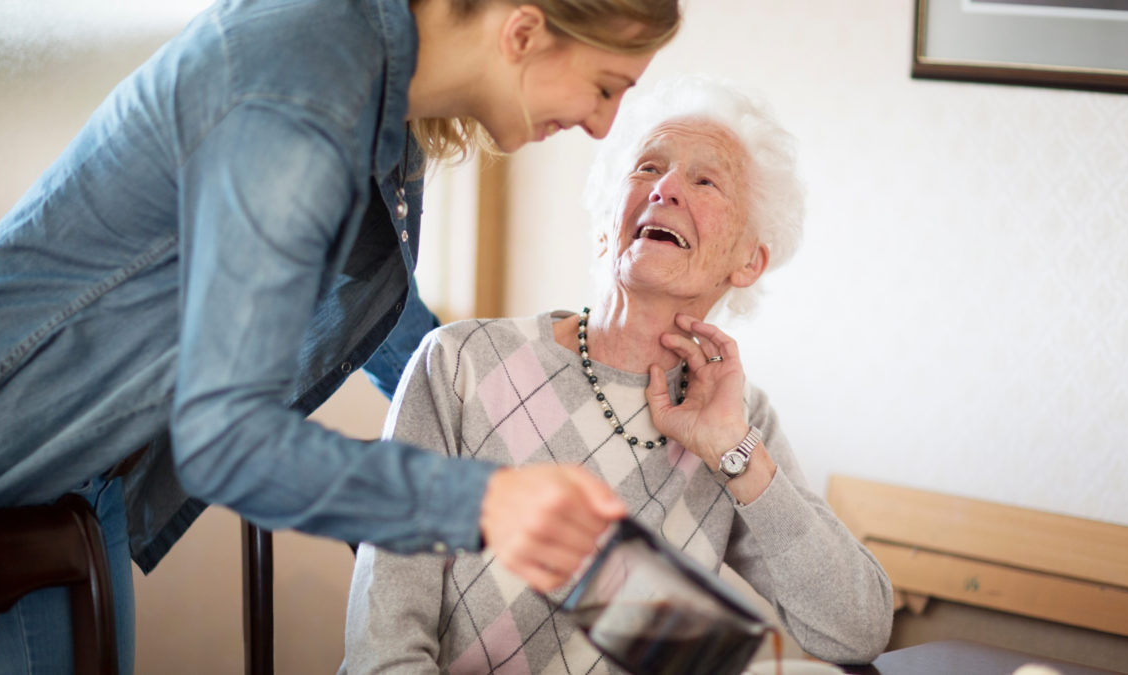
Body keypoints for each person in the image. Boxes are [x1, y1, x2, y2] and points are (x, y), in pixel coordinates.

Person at [0, 0, 682, 672]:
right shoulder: (304, 94)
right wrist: (483, 500)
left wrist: (517, 452)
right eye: (605, 87)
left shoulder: (377, 109)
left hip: (88, 480)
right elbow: (223, 438)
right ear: (524, 32)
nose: (604, 125)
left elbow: (383, 320)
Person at [341, 75, 895, 674]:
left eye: (705, 179)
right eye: (647, 168)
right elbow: (383, 649)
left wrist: (737, 453)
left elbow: (857, 630)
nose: (666, 189)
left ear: (748, 260)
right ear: (607, 223)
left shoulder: (738, 421)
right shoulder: (460, 362)